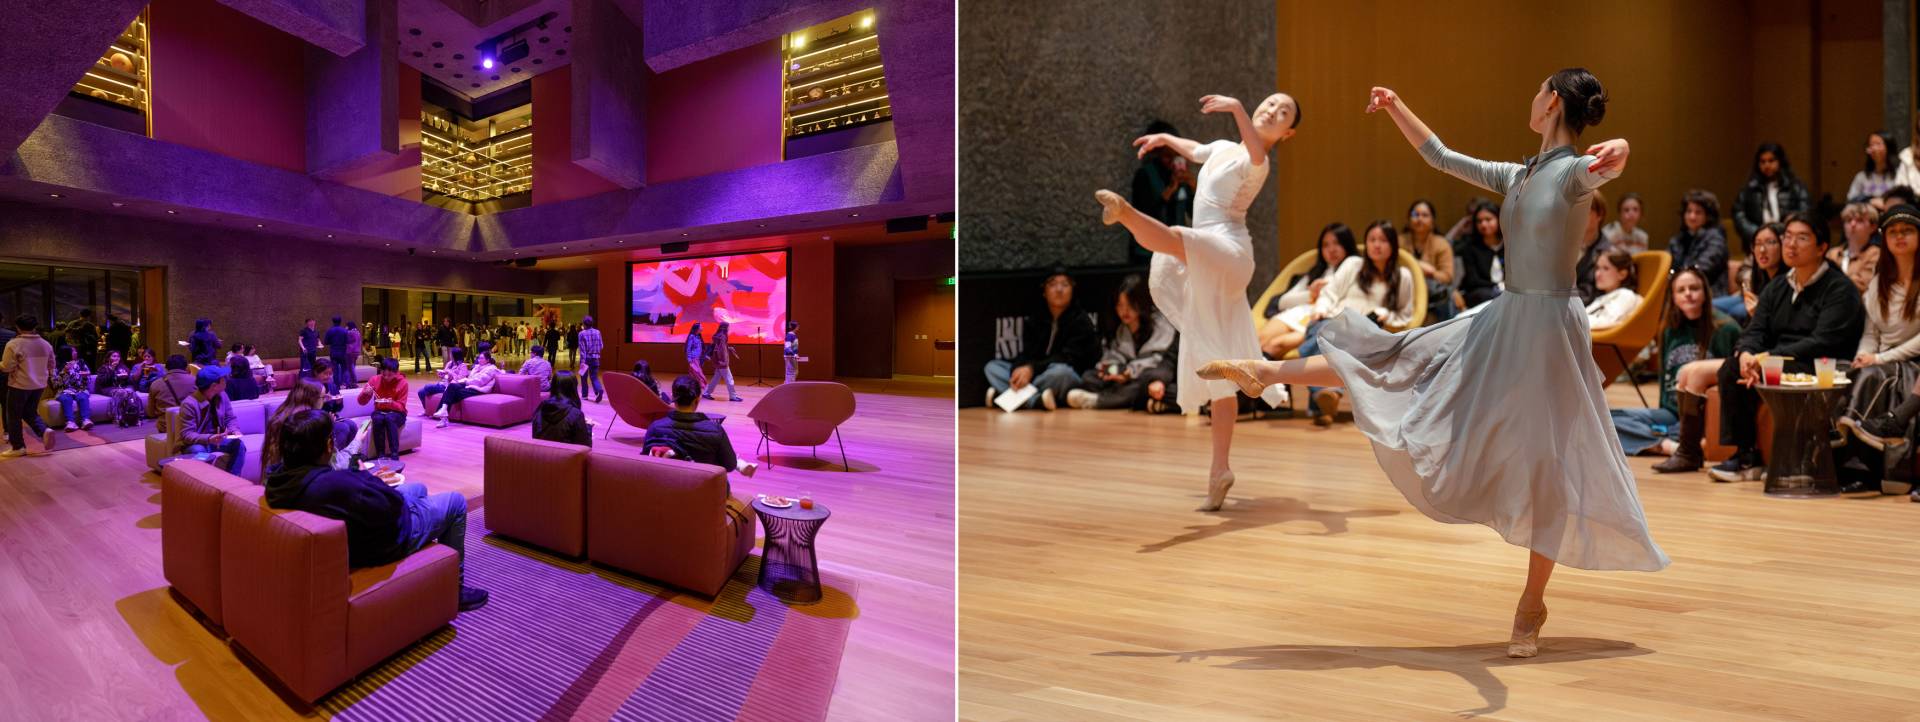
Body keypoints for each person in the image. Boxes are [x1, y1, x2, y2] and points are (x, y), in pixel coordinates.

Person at [1198, 70, 1666, 658]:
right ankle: (1265, 371)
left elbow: (1610, 165)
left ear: (1550, 101)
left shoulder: (1574, 173)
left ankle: (1531, 603)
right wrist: (1397, 105)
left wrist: (1621, 149)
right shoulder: (1518, 175)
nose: (1529, 98)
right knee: (1406, 354)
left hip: (1550, 329)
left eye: (1534, 90)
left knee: (1547, 463)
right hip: (1508, 315)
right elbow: (1440, 156)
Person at [1094, 90, 1299, 510]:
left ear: (1288, 132)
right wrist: (1166, 141)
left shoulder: (1258, 162)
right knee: (1221, 368)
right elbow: (1197, 149)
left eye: (1283, 113)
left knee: (1174, 241)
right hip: (1212, 253)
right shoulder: (1225, 148)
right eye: (1271, 102)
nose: (1272, 110)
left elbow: (1254, 151)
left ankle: (1126, 214)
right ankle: (1219, 471)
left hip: (1230, 249)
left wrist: (1238, 107)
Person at [264, 408, 488, 611]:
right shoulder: (334, 484)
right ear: (328, 445)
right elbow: (390, 505)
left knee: (418, 488)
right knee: (456, 501)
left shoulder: (277, 482)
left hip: (358, 531)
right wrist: (363, 477)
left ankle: (434, 563)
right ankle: (454, 590)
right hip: (385, 541)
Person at [1704, 213, 1865, 482]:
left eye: (1802, 238)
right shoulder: (1778, 286)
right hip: (1778, 360)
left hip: (1820, 364)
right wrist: (1746, 354)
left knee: (1774, 368)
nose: (1791, 245)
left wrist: (1766, 358)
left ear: (1822, 247)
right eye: (1787, 237)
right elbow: (1755, 330)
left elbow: (1823, 341)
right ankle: (1746, 457)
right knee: (1732, 369)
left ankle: (1799, 460)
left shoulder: (1839, 288)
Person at [1833, 205, 1920, 494]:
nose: (1899, 237)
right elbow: (1871, 332)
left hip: (1912, 360)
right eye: (1893, 232)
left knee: (1873, 375)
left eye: (1907, 231)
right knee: (1848, 371)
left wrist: (1879, 358)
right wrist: (1863, 355)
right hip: (1882, 358)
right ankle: (1836, 456)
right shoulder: (1879, 281)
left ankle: (1861, 467)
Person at [1614, 268, 1740, 467]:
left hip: (1701, 417)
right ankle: (1667, 446)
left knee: (1635, 428)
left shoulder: (1727, 329)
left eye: (1694, 288)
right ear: (1673, 297)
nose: (1688, 293)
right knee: (1605, 418)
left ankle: (1670, 440)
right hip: (1670, 413)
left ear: (1705, 293)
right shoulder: (1669, 330)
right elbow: (1665, 380)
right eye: (1681, 290)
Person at [1297, 219, 1418, 426]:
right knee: (1321, 332)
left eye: (1382, 240)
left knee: (1321, 341)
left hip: (1366, 330)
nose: (1376, 245)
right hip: (1334, 320)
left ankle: (1324, 398)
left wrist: (1386, 314)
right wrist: (1320, 309)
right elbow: (1330, 293)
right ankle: (1328, 397)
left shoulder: (1402, 276)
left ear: (1393, 245)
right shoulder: (1353, 264)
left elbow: (1405, 314)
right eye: (1372, 240)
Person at [982, 269, 1101, 411]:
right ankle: (1036, 400)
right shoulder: (1036, 318)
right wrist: (1018, 370)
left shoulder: (1081, 321)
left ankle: (1007, 397)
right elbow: (1027, 353)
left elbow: (1068, 358)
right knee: (993, 367)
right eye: (1053, 284)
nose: (1059, 289)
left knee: (1061, 373)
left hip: (1064, 374)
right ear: (1044, 291)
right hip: (1036, 374)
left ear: (1072, 290)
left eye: (1065, 285)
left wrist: (1031, 369)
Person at [1065, 275, 1178, 411]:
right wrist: (1111, 371)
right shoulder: (1119, 329)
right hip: (1124, 374)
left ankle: (1099, 401)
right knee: (1090, 377)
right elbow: (1112, 359)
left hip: (1148, 375)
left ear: (1141, 302)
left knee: (1141, 385)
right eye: (1120, 305)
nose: (1125, 311)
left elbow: (1159, 361)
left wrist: (1129, 373)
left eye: (1130, 305)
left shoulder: (1161, 325)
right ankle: (1121, 397)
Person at [1258, 222, 1356, 358]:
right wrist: (1311, 293)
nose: (1331, 249)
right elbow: (1282, 302)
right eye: (1326, 245)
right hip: (1296, 313)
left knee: (1275, 344)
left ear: (1347, 244)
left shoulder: (1355, 270)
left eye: (1337, 243)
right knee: (1258, 340)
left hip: (1319, 320)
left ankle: (1256, 376)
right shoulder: (1316, 272)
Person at [642, 375, 757, 478]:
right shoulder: (715, 431)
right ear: (698, 399)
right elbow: (730, 465)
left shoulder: (654, 428)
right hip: (704, 493)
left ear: (673, 397)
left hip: (666, 489)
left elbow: (645, 461)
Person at [1127, 119, 1196, 263]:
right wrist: (1171, 189)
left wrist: (1194, 186)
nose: (1172, 161)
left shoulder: (1182, 174)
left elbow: (1194, 213)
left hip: (1177, 250)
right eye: (1167, 156)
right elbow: (1144, 215)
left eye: (1176, 154)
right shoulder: (1145, 175)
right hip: (1148, 253)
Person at [1732, 143, 1812, 255]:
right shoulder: (1749, 188)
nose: (1767, 165)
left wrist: (1792, 221)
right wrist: (1758, 233)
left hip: (1788, 240)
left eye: (1771, 161)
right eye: (1763, 162)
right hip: (1757, 242)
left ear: (1780, 161)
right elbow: (1739, 214)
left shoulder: (1795, 187)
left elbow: (1806, 210)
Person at [264, 380, 357, 470]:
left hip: (279, 475)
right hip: (306, 479)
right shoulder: (307, 424)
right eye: (323, 397)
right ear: (312, 399)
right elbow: (337, 465)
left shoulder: (281, 415)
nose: (325, 400)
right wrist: (357, 441)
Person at [1, 315, 55, 457]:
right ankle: (44, 431)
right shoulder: (45, 344)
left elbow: (6, 367)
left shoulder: (14, 344)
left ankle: (18, 447)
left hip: (19, 385)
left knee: (13, 415)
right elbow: (52, 365)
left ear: (17, 327)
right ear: (35, 327)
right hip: (39, 385)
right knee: (29, 412)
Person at [1713, 222, 1785, 323]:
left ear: (1784, 245)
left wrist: (1760, 315)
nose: (1762, 249)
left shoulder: (1788, 280)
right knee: (1710, 307)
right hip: (1749, 294)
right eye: (1758, 243)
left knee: (1736, 313)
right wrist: (1747, 283)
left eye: (1770, 242)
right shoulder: (1757, 265)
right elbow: (1743, 270)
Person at [177, 366, 244, 473]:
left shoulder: (222, 396)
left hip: (218, 441)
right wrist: (209, 438)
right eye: (223, 379)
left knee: (238, 444)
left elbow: (230, 418)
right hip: (198, 444)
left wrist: (234, 429)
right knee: (199, 451)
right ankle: (205, 484)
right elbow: (187, 434)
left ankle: (234, 480)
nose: (226, 380)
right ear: (214, 386)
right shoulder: (189, 404)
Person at [1667, 189, 1730, 297]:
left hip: (1710, 294)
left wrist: (1676, 278)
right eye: (1689, 211)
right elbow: (1667, 266)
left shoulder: (1716, 238)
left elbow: (1702, 269)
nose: (1692, 216)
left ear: (1708, 216)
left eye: (1698, 212)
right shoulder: (1677, 240)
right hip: (1681, 292)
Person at [1405, 200, 1455, 324]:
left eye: (1425, 215)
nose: (1419, 219)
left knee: (1446, 293)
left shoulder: (1441, 243)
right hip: (1406, 289)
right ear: (1409, 219)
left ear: (1432, 221)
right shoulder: (1400, 241)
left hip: (1433, 295)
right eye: (1415, 215)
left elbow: (1447, 277)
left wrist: (1431, 273)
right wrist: (1418, 265)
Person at [1451, 199, 1506, 310]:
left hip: (1507, 291)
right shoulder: (1470, 247)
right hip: (1480, 293)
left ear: (1499, 219)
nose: (1483, 224)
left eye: (1488, 219)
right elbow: (1473, 280)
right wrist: (1497, 287)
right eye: (1479, 221)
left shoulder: (1509, 245)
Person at [427, 350, 497, 428]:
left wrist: (465, 381)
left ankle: (444, 417)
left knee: (452, 393)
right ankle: (443, 412)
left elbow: (480, 381)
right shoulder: (477, 367)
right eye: (478, 358)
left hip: (478, 389)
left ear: (487, 360)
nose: (479, 360)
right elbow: (470, 378)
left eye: (481, 358)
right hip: (469, 385)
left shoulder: (491, 369)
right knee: (451, 387)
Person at [357, 358, 409, 461]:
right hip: (379, 411)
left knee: (390, 418)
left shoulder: (403, 383)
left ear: (396, 372)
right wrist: (365, 394)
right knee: (378, 419)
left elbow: (402, 407)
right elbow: (361, 402)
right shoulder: (374, 380)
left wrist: (390, 403)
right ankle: (380, 454)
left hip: (398, 413)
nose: (386, 378)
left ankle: (394, 454)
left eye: (389, 375)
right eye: (384, 374)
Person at [1572, 188, 1613, 304]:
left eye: (1584, 211)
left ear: (1599, 215)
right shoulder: (1565, 242)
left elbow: (1587, 295)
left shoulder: (1605, 252)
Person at [1584, 247, 1641, 330]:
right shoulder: (1603, 297)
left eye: (1605, 268)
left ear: (1622, 274)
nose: (1597, 274)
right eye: (1597, 268)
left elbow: (1607, 323)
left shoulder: (1625, 295)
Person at [533, 371, 592, 447]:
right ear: (573, 389)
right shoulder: (576, 414)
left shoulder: (540, 407)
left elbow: (535, 436)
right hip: (566, 456)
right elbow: (584, 446)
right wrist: (588, 428)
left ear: (553, 387)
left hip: (541, 454)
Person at [146, 355, 195, 432]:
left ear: (166, 368)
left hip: (166, 428)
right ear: (186, 367)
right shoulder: (196, 381)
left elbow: (150, 413)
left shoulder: (156, 384)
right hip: (190, 426)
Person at [1849, 131, 1899, 203]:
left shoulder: (1899, 175)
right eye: (1870, 145)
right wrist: (1871, 201)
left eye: (1878, 144)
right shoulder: (1861, 176)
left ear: (1889, 147)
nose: (1874, 148)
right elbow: (1851, 199)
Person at [52, 347, 93, 432]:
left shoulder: (81, 363)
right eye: (73, 351)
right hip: (64, 391)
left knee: (82, 397)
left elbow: (88, 379)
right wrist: (64, 372)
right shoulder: (56, 365)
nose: (75, 352)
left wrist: (85, 377)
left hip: (79, 389)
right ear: (66, 353)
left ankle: (85, 420)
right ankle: (70, 422)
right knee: (66, 399)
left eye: (75, 351)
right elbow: (55, 384)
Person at [701, 321, 742, 402]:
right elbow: (721, 350)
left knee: (715, 379)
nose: (729, 328)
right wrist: (723, 361)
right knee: (729, 379)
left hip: (718, 361)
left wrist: (729, 348)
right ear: (725, 328)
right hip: (722, 362)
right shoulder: (722, 337)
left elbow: (720, 348)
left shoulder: (718, 336)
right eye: (728, 327)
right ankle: (733, 396)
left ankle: (707, 393)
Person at [577, 316, 604, 403]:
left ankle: (584, 395)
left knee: (583, 378)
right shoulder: (598, 332)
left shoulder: (581, 334)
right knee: (594, 377)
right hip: (596, 358)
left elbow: (582, 349)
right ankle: (599, 390)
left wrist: (582, 361)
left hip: (586, 359)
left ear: (584, 324)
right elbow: (601, 346)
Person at [323, 316, 352, 392]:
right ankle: (347, 385)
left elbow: (326, 342)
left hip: (334, 352)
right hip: (343, 352)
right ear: (340, 321)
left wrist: (333, 342)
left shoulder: (330, 330)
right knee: (345, 369)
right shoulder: (344, 331)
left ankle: (337, 386)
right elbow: (348, 341)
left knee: (335, 370)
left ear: (333, 321)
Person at [684, 322, 709, 391]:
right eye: (701, 327)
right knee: (698, 373)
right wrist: (689, 359)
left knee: (693, 374)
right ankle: (704, 387)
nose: (702, 328)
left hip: (697, 358)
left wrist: (705, 356)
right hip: (693, 358)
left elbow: (700, 348)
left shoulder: (698, 336)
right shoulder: (692, 336)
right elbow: (688, 348)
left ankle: (691, 388)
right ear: (697, 328)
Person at [343, 320, 362, 388]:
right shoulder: (357, 332)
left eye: (347, 325)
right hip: (357, 351)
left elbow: (346, 341)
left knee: (350, 367)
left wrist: (345, 330)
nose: (346, 327)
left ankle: (353, 382)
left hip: (350, 351)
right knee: (352, 366)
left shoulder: (350, 332)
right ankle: (351, 382)